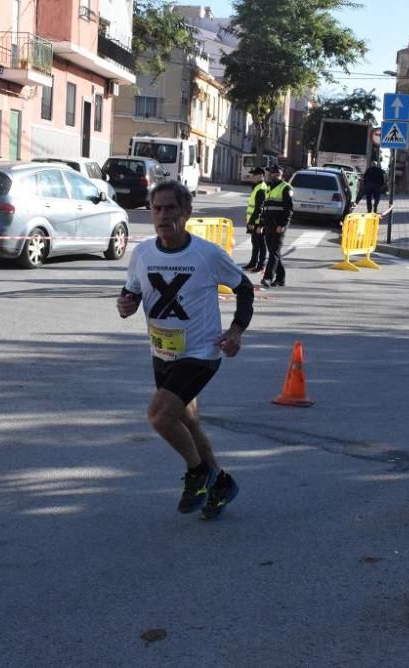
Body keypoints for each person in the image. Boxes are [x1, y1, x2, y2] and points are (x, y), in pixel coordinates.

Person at [116, 181, 254, 520]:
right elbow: (130, 291)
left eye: (170, 209)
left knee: (159, 416)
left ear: (187, 213)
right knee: (187, 422)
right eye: (157, 209)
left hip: (201, 352)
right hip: (163, 350)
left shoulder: (207, 254)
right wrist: (125, 304)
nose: (163, 216)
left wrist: (235, 331)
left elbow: (245, 288)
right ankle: (220, 482)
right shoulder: (143, 252)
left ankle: (198, 472)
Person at [260, 164, 292, 289]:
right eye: (269, 173)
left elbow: (289, 209)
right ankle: (280, 278)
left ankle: (268, 278)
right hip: (269, 224)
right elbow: (266, 207)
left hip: (279, 225)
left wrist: (282, 224)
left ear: (278, 174)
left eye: (271, 173)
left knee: (274, 252)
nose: (269, 175)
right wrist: (262, 223)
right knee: (274, 252)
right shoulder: (269, 187)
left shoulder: (285, 188)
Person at [243, 167, 268, 273]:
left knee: (260, 244)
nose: (252, 177)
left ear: (261, 175)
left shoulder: (261, 188)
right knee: (255, 243)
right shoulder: (257, 187)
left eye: (254, 175)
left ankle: (261, 265)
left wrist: (255, 222)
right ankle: (253, 263)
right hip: (254, 221)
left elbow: (260, 207)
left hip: (258, 222)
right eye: (252, 175)